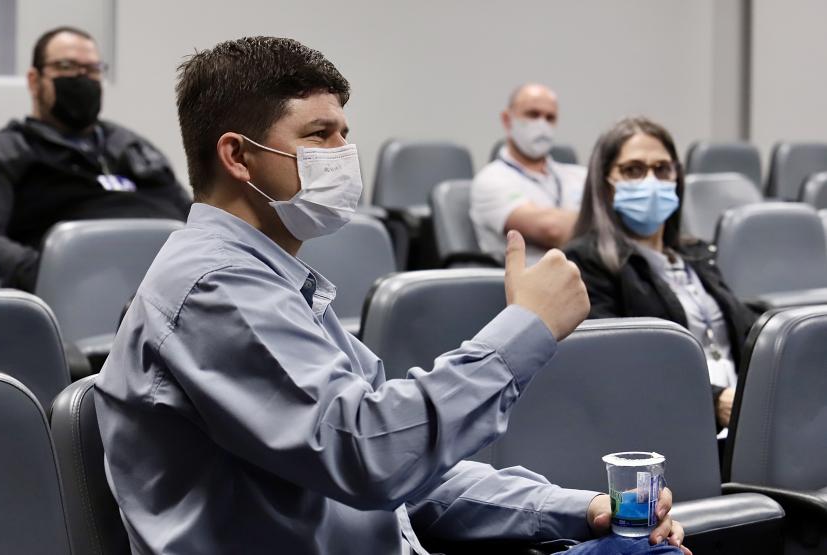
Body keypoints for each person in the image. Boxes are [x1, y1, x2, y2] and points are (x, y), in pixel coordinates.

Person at [94, 38, 688, 554]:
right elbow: (373, 455)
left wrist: (577, 510)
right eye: (319, 135)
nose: (343, 155)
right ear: (238, 156)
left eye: (345, 134)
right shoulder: (214, 289)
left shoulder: (277, 285)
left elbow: (415, 476)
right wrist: (526, 327)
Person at [0, 26, 191, 291]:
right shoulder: (0, 156)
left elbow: (194, 217)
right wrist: (56, 276)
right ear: (34, 80)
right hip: (75, 302)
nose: (82, 77)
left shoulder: (133, 147)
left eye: (93, 69)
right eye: (67, 66)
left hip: (172, 290)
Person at [564, 117, 760, 432]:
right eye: (633, 170)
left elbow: (746, 330)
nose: (651, 181)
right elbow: (619, 365)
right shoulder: (585, 262)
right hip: (667, 431)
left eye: (662, 169)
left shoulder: (697, 254)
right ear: (605, 184)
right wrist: (713, 401)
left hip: (741, 425)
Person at [471, 83, 587, 265]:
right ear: (507, 120)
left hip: (586, 283)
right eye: (533, 114)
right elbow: (552, 230)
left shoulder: (579, 176)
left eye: (550, 118)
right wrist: (605, 220)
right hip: (526, 288)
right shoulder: (491, 180)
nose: (542, 124)